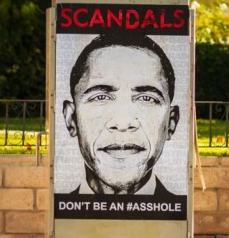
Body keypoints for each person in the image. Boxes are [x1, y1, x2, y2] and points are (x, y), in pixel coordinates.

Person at [61, 31, 183, 197]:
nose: (123, 123)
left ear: (171, 122)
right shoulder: (64, 215)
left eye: (146, 98)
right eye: (100, 97)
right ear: (71, 119)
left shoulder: (177, 214)